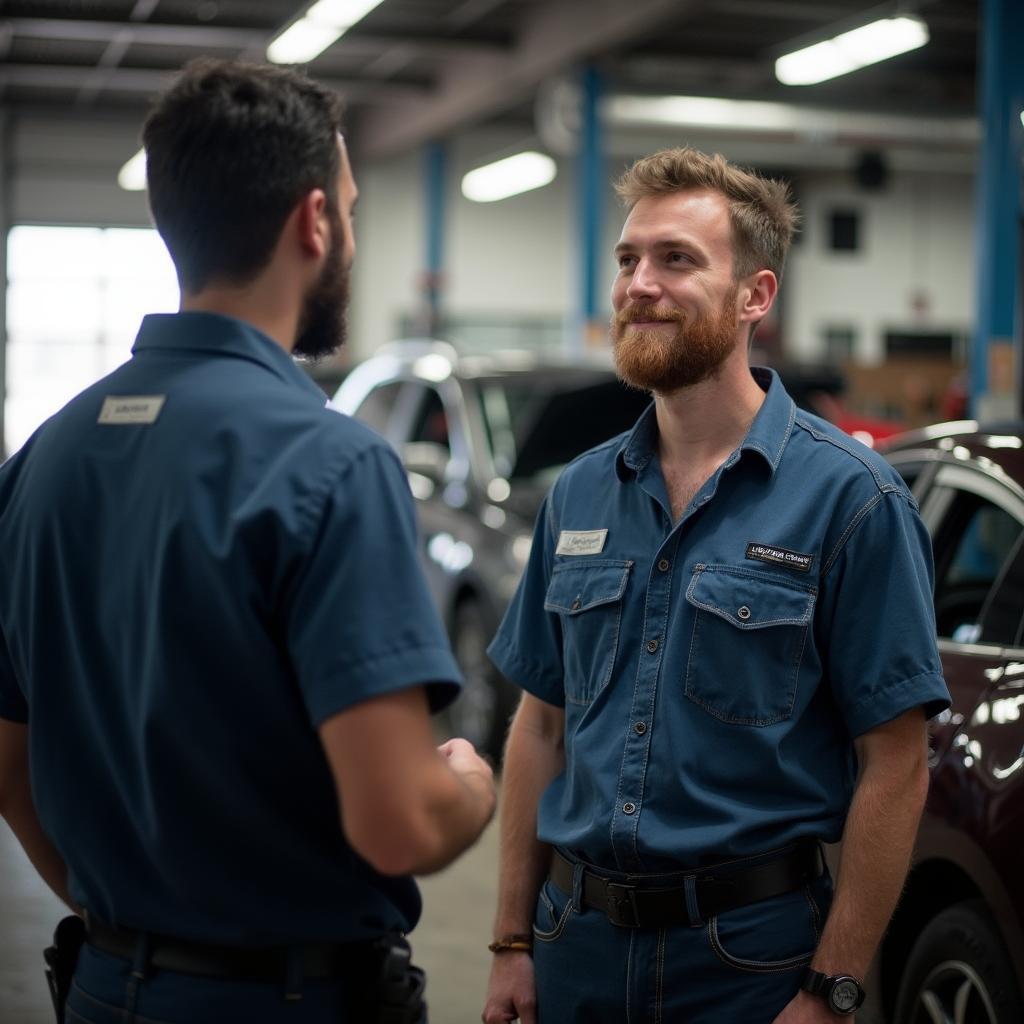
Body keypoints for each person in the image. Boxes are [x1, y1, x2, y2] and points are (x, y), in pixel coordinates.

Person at [0, 58, 496, 1024]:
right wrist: (469, 785)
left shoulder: (40, 460)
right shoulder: (333, 465)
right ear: (314, 222)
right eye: (350, 212)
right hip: (291, 999)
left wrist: (133, 933)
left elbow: (8, 771)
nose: (349, 235)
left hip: (104, 988)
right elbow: (397, 822)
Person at [481, 147, 950, 1024]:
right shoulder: (580, 493)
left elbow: (893, 765)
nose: (639, 285)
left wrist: (833, 988)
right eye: (628, 260)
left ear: (755, 297)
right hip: (572, 943)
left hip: (748, 961)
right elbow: (539, 724)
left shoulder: (852, 499)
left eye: (677, 259)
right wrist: (512, 940)